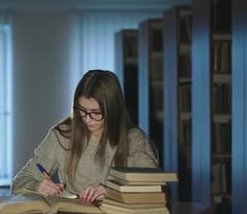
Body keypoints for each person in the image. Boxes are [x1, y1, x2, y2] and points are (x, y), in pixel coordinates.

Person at [11, 69, 159, 202]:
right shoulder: (63, 135)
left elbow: (155, 188)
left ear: (113, 109)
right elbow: (19, 182)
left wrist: (112, 191)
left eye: (96, 113)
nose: (87, 119)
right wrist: (37, 186)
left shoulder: (133, 139)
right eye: (81, 110)